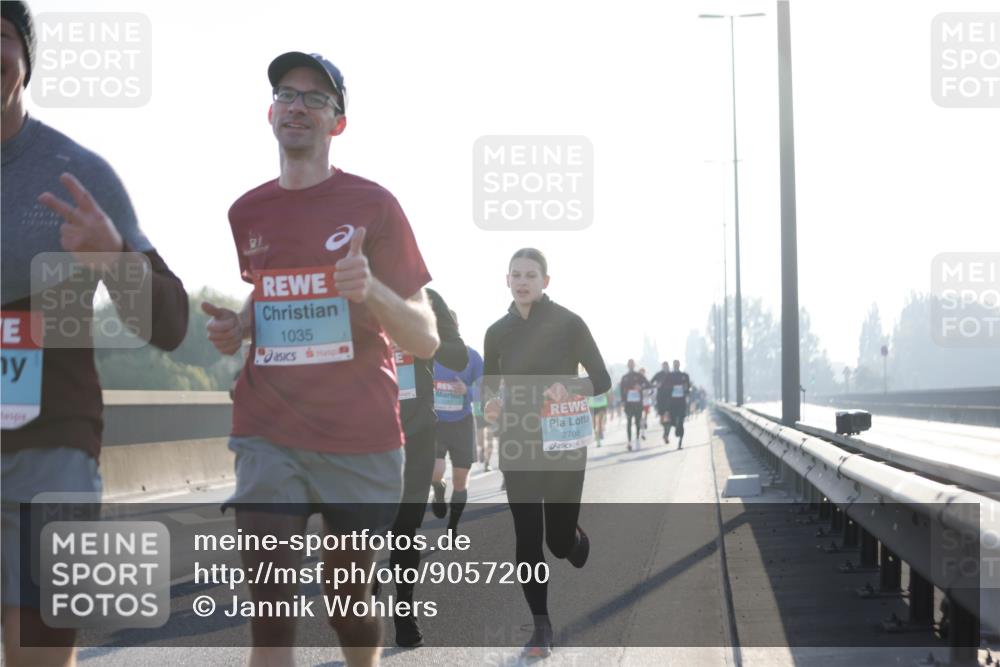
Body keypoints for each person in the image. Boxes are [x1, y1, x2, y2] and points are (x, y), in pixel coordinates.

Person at [201, 51, 438, 667]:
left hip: (360, 435)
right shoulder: (245, 212)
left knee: (348, 602)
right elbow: (272, 289)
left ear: (338, 123)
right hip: (266, 429)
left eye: (316, 98)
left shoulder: (375, 205)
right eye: (287, 94)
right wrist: (239, 325)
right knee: (270, 613)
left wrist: (372, 289)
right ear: (271, 112)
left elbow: (427, 338)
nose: (298, 105)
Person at [1, 3, 189, 664]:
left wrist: (114, 258)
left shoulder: (75, 172)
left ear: (26, 60)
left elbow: (168, 323)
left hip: (52, 445)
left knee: (38, 652)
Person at [482, 248, 610, 658]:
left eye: (531, 275)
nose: (523, 281)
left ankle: (571, 539)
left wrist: (570, 388)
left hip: (563, 443)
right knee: (527, 537)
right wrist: (490, 404)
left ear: (545, 282)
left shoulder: (569, 323)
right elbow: (488, 385)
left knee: (556, 542)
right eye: (516, 274)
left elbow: (602, 379)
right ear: (507, 280)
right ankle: (541, 627)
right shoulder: (495, 332)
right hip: (517, 443)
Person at [389, 290, 466, 648]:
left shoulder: (428, 299)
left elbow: (458, 354)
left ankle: (404, 613)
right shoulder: (350, 292)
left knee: (405, 528)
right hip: (360, 432)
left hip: (416, 433)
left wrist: (422, 335)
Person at [430, 310, 483, 534]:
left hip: (462, 423)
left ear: (456, 326)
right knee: (436, 471)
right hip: (435, 422)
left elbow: (485, 390)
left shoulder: (472, 357)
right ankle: (438, 488)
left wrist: (467, 390)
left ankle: (453, 524)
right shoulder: (426, 355)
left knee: (461, 479)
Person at [661, 360, 691, 447]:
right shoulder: (669, 376)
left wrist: (686, 390)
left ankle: (680, 442)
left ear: (679, 365)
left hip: (681, 401)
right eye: (675, 364)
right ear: (673, 365)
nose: (676, 365)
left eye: (677, 364)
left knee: (681, 420)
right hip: (672, 402)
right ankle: (668, 433)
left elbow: (688, 388)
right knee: (672, 420)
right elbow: (663, 387)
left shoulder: (684, 376)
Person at [619, 359, 648, 451]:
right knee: (629, 421)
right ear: (627, 366)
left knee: (637, 421)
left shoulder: (639, 376)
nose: (631, 365)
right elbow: (621, 390)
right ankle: (629, 442)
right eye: (629, 364)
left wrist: (641, 387)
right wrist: (623, 400)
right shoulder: (624, 377)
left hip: (638, 403)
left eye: (632, 364)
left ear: (634, 365)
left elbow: (648, 384)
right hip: (628, 403)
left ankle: (637, 439)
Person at [651, 361, 672, 444]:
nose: (665, 367)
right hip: (660, 398)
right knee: (662, 419)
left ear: (668, 366)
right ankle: (665, 430)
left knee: (669, 417)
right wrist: (656, 385)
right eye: (664, 366)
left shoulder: (671, 374)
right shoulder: (658, 374)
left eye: (666, 366)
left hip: (670, 398)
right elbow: (651, 382)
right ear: (662, 367)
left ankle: (666, 435)